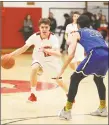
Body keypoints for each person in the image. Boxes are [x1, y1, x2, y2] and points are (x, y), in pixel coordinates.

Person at [2, 18, 71, 102]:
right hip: (38, 59)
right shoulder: (35, 37)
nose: (44, 29)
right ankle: (33, 94)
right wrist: (10, 55)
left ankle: (70, 95)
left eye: (46, 27)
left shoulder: (53, 38)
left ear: (49, 28)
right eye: (42, 27)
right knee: (34, 68)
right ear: (39, 28)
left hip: (51, 62)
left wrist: (47, 50)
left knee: (59, 81)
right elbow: (23, 48)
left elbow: (58, 54)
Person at [56, 15, 108, 120]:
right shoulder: (97, 32)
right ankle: (103, 108)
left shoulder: (77, 33)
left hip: (95, 54)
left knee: (74, 78)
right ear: (89, 23)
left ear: (78, 24)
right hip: (107, 55)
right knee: (98, 79)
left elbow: (71, 55)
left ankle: (67, 110)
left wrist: (61, 71)